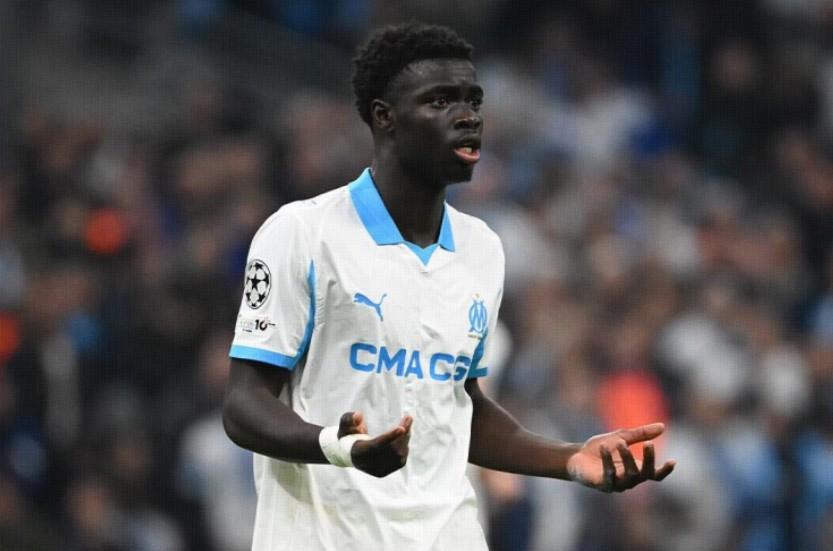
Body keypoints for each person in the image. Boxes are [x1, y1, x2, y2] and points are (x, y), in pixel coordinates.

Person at [222, 22, 675, 551]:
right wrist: (339, 447)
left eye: (473, 101)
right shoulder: (302, 233)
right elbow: (244, 404)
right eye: (440, 101)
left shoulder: (483, 250)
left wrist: (570, 458)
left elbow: (460, 407)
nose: (468, 117)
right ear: (384, 117)